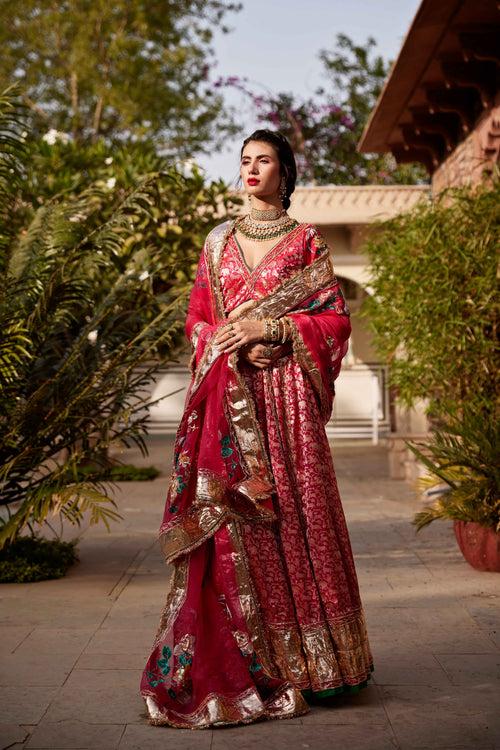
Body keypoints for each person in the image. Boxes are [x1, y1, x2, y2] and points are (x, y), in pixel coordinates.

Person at [139, 129, 374, 729]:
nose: (250, 169)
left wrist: (273, 332)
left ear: (284, 171)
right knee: (235, 521)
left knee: (296, 515)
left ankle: (316, 662)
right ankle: (248, 658)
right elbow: (198, 316)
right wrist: (223, 343)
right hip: (229, 400)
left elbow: (333, 319)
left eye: (263, 160)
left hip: (287, 401)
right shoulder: (217, 243)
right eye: (244, 160)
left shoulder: (306, 241)